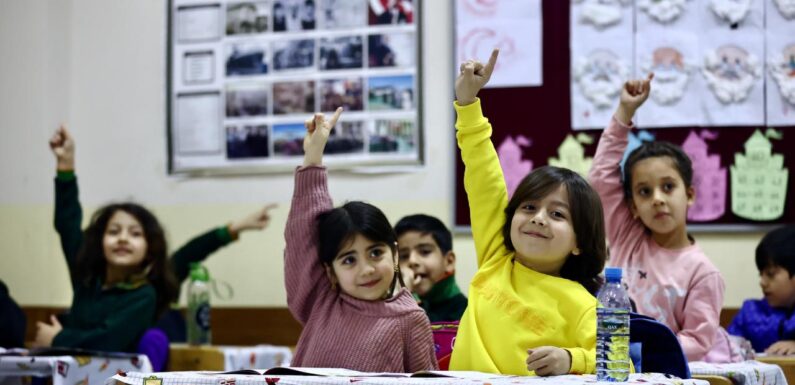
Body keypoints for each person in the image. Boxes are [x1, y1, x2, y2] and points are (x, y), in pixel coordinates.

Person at [450, 49, 607, 376]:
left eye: (558, 215)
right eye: (530, 207)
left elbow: (623, 364)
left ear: (579, 242)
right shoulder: (497, 258)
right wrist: (467, 104)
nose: (538, 218)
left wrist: (571, 359)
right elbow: (484, 177)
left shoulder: (582, 305)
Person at [588, 74, 736, 362]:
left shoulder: (703, 273)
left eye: (668, 187)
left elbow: (697, 340)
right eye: (644, 192)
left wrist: (640, 353)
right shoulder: (625, 235)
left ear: (690, 194)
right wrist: (624, 112)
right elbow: (600, 178)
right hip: (613, 365)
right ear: (632, 206)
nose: (657, 198)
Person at [284, 108, 437, 372]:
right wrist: (313, 157)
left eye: (376, 253)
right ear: (330, 271)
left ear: (395, 255)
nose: (366, 269)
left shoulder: (410, 320)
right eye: (349, 259)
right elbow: (303, 236)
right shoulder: (321, 301)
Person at [35, 126, 179, 352]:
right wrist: (65, 167)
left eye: (135, 234)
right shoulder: (87, 279)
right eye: (113, 231)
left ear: (149, 249)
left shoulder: (143, 295)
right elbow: (68, 225)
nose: (122, 239)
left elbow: (107, 340)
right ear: (99, 243)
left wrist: (58, 339)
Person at [729, 225, 795, 354]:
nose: (762, 282)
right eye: (761, 274)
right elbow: (726, 347)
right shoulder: (749, 314)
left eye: (770, 274)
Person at [395, 214, 467, 322]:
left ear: (449, 261)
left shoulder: (466, 312)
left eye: (425, 252)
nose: (412, 261)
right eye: (404, 256)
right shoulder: (394, 302)